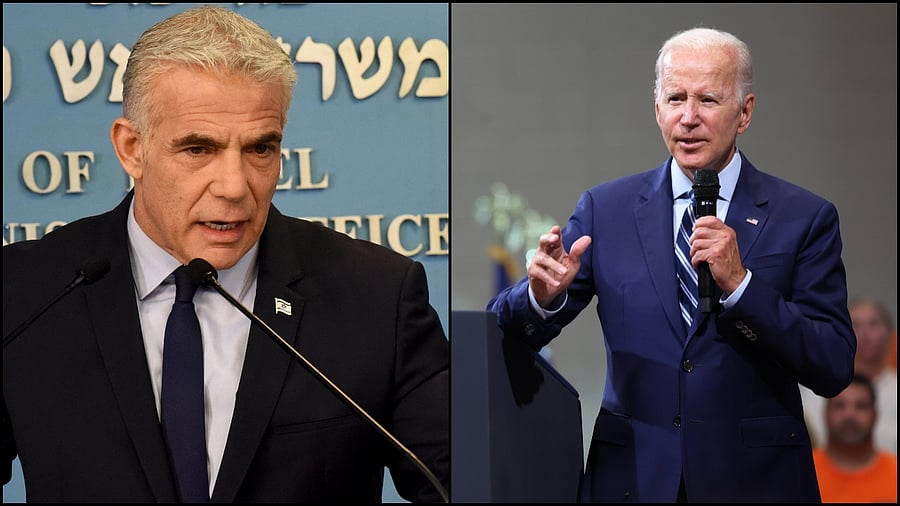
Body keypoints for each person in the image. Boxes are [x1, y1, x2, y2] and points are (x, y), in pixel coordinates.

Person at [2, 5, 448, 503]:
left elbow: (460, 483)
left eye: (260, 149)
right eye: (198, 149)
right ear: (132, 149)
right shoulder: (24, 295)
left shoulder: (377, 297)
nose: (236, 187)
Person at [487, 26, 855, 502]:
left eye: (707, 99)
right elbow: (502, 329)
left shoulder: (804, 218)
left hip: (756, 482)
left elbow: (832, 363)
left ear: (744, 113)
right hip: (632, 481)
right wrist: (539, 298)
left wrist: (742, 287)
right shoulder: (607, 209)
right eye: (675, 98)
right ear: (656, 108)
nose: (688, 117)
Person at [803, 297, 897, 454]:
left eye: (873, 324)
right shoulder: (817, 389)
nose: (865, 333)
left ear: (889, 333)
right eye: (856, 325)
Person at [812, 374, 897, 503]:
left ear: (875, 414)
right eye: (839, 406)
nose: (850, 414)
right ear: (825, 413)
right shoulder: (802, 471)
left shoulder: (894, 474)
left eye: (861, 406)